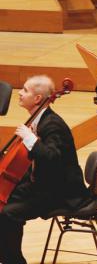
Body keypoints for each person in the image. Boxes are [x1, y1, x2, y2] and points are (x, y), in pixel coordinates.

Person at [0, 75, 90, 264]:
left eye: (25, 90)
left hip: (60, 191)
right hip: (42, 182)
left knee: (8, 213)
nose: (19, 93)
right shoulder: (38, 120)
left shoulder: (52, 124)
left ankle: (14, 260)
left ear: (38, 99)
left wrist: (30, 139)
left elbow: (52, 158)